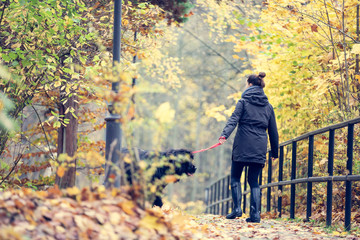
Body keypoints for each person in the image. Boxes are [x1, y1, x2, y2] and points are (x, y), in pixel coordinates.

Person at [219, 72, 278, 223]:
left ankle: (237, 208)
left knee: (235, 177)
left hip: (242, 144)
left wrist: (224, 135)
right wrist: (275, 151)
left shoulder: (243, 102)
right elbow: (273, 130)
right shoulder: (268, 106)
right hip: (259, 146)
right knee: (254, 181)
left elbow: (233, 119)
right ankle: (255, 214)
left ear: (250, 84)